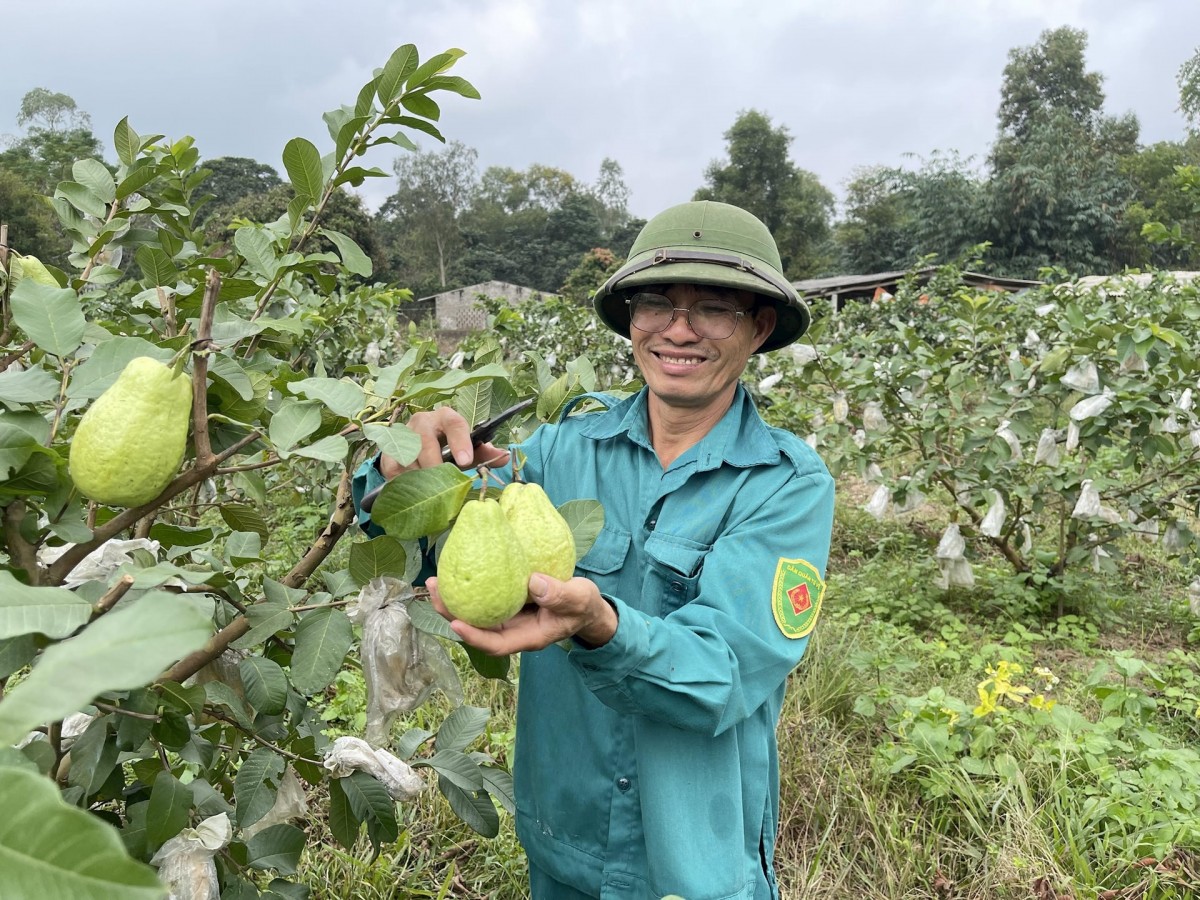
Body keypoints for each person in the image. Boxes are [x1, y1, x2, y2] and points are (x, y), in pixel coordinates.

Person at [353, 200, 835, 899]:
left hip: (692, 862)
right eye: (656, 303)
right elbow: (426, 540)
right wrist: (404, 464)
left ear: (759, 326)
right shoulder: (554, 453)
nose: (679, 329)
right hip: (562, 841)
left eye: (714, 308)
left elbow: (725, 672)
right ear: (630, 320)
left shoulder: (785, 486)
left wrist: (601, 625)